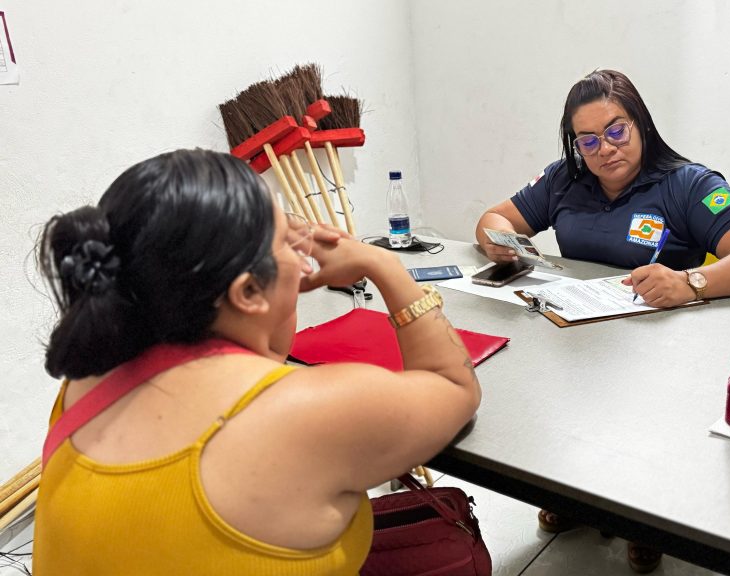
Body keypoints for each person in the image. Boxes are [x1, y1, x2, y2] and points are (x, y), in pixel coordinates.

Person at [32, 149, 481, 576]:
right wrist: (383, 264)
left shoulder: (86, 376)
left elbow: (253, 356)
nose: (304, 247)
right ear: (246, 292)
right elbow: (455, 387)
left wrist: (275, 289)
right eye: (288, 240)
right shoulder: (307, 411)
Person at [475, 69, 730, 573]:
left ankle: (646, 519)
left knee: (639, 444)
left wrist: (692, 283)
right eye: (589, 139)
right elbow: (494, 217)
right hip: (578, 344)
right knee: (566, 420)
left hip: (658, 355)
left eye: (617, 130)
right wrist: (503, 242)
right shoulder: (564, 179)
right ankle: (575, 494)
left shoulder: (687, 184)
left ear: (640, 123)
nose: (605, 149)